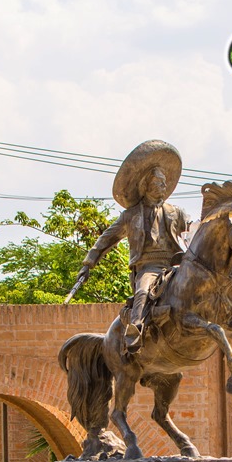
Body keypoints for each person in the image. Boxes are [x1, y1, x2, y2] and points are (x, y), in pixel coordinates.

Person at [66, 140, 191, 351]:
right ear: (148, 185)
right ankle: (136, 329)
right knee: (143, 291)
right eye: (160, 182)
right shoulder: (131, 215)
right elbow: (107, 239)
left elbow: (192, 232)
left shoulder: (175, 212)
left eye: (165, 182)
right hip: (148, 266)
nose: (165, 186)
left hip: (175, 263)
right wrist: (88, 263)